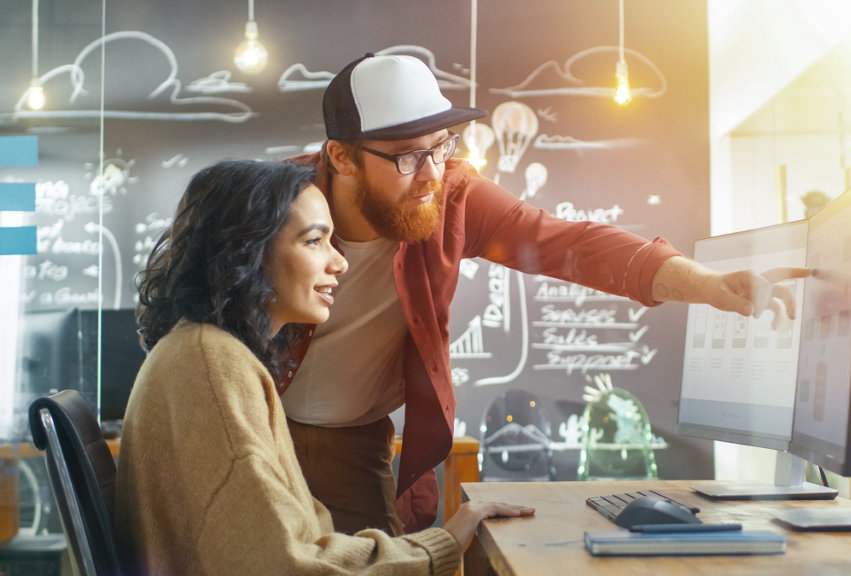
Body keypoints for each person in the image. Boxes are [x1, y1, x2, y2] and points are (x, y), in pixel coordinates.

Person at [283, 53, 807, 535]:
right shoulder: (269, 206)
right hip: (254, 431)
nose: (431, 176)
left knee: (388, 566)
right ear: (342, 157)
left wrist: (709, 284)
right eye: (406, 157)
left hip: (356, 443)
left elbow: (568, 244)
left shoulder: (454, 196)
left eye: (441, 147)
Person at [117, 160, 534, 576]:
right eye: (314, 241)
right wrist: (442, 545)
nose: (340, 263)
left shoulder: (208, 351)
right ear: (246, 249)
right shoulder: (212, 362)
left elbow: (289, 549)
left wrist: (433, 546)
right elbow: (281, 566)